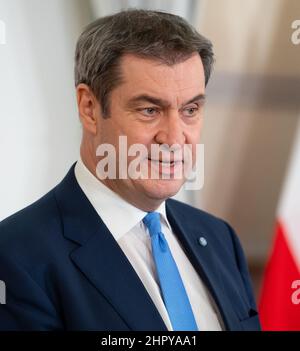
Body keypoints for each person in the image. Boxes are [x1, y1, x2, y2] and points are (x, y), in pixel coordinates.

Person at [0, 9, 261, 331]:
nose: (174, 138)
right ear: (89, 108)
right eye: (150, 110)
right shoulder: (16, 255)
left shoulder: (219, 237)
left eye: (190, 109)